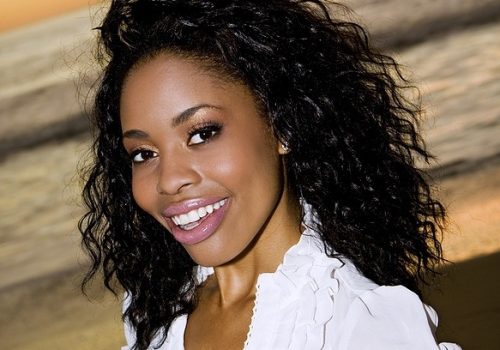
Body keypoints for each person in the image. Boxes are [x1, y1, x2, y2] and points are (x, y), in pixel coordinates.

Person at [79, 0, 462, 349]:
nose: (168, 179)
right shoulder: (156, 308)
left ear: (284, 127)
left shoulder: (354, 325)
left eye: (202, 133)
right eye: (144, 153)